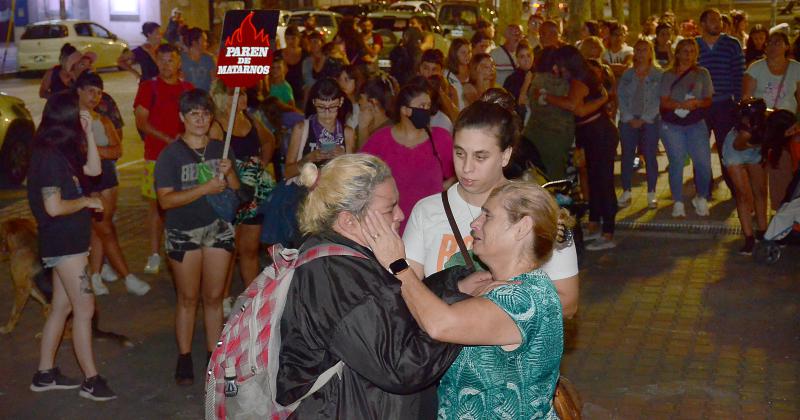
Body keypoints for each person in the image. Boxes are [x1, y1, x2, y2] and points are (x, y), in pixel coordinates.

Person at [275, 154, 469, 418]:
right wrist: (459, 314)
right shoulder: (338, 277)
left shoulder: (346, 255)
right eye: (390, 209)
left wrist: (455, 284)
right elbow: (402, 367)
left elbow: (394, 306)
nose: (400, 215)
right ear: (348, 221)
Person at [371, 179, 564, 418]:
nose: (475, 223)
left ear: (521, 228)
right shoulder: (525, 286)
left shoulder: (521, 298)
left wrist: (399, 265)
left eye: (488, 216)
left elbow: (440, 324)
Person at [404, 98, 579, 318]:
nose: (467, 168)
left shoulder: (536, 209)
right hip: (444, 349)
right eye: (459, 153)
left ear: (505, 155)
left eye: (480, 156)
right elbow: (407, 291)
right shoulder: (426, 210)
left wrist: (508, 298)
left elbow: (568, 302)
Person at [27, 91, 116, 401]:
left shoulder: (62, 149)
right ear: (65, 117)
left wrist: (89, 132)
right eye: (78, 112)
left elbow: (94, 170)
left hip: (70, 242)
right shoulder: (49, 156)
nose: (84, 114)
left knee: (62, 307)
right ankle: (91, 379)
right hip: (63, 243)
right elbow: (53, 207)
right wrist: (86, 201)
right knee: (85, 309)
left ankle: (45, 373)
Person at [154, 89, 240, 385]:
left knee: (214, 297)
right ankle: (184, 356)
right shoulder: (170, 155)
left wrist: (229, 174)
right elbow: (165, 201)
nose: (201, 119)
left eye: (205, 113)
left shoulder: (221, 148)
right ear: (182, 118)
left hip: (218, 228)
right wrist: (204, 189)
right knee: (188, 298)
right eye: (194, 114)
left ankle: (213, 356)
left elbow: (237, 191)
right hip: (183, 231)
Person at [75, 72, 151, 296]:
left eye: (99, 92)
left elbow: (117, 150)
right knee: (105, 229)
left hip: (107, 178)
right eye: (90, 91)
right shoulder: (69, 120)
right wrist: (98, 153)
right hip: (84, 182)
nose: (95, 97)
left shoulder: (103, 119)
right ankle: (127, 275)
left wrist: (91, 151)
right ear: (78, 90)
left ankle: (96, 276)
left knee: (101, 227)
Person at [540, 46, 617, 251]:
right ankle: (599, 227)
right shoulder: (580, 78)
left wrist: (548, 98)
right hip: (591, 134)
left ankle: (608, 232)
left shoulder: (581, 79)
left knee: (603, 181)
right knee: (594, 181)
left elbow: (576, 106)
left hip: (600, 134)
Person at [361, 83, 455, 233]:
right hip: (391, 226)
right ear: (405, 110)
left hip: (432, 225)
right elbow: (360, 173)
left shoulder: (440, 138)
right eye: (422, 105)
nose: (426, 111)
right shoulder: (381, 139)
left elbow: (457, 173)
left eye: (428, 106)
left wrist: (442, 188)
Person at [209, 81, 276, 290]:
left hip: (253, 195)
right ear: (223, 98)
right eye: (237, 94)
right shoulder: (217, 126)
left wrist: (262, 163)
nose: (244, 98)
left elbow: (269, 140)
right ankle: (224, 296)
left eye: (245, 94)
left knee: (250, 249)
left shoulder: (250, 119)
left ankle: (252, 296)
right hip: (231, 195)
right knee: (228, 250)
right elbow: (209, 161)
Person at [134, 44, 195, 274]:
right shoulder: (148, 88)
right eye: (161, 60)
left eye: (171, 60)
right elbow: (142, 122)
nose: (166, 64)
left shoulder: (188, 89)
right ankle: (154, 254)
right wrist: (170, 140)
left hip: (185, 159)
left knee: (185, 204)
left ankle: (182, 248)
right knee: (156, 208)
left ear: (179, 62)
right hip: (156, 158)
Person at [743, 31, 800, 213]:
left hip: (786, 128)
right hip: (761, 126)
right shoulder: (755, 68)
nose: (773, 45)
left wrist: (797, 123)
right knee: (758, 171)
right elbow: (746, 99)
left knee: (781, 171)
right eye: (770, 42)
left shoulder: (796, 68)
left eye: (778, 42)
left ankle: (779, 213)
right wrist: (766, 115)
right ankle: (757, 212)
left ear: (786, 46)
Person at [659, 38, 714, 218]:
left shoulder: (702, 73)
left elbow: (708, 99)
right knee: (676, 162)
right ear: (677, 53)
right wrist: (681, 105)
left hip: (696, 123)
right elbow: (664, 102)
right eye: (685, 51)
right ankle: (678, 201)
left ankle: (701, 197)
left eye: (692, 51)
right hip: (673, 124)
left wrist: (697, 103)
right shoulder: (667, 75)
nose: (688, 55)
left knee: (704, 164)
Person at [696, 8, 745, 197]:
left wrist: (739, 104)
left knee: (727, 149)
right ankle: (703, 189)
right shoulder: (694, 45)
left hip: (725, 104)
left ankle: (735, 190)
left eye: (719, 20)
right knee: (700, 149)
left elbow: (739, 74)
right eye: (712, 20)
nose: (718, 23)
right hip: (701, 106)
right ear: (702, 24)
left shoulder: (732, 44)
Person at [617, 39, 663, 209]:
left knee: (650, 155)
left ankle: (651, 192)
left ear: (650, 52)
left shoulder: (659, 75)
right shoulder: (628, 75)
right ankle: (626, 190)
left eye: (645, 50)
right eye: (638, 50)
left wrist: (644, 118)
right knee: (627, 156)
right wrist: (629, 117)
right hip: (629, 120)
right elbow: (621, 96)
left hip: (650, 120)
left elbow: (659, 100)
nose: (641, 53)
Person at [722, 99, 769, 255]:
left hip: (754, 149)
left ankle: (764, 232)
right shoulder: (745, 130)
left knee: (761, 192)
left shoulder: (768, 119)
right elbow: (738, 145)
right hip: (735, 150)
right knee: (742, 196)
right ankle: (749, 237)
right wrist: (757, 144)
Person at [522, 47, 575, 182]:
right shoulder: (562, 83)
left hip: (535, 135)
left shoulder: (536, 80)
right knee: (555, 178)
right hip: (556, 138)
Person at [284, 78, 355, 179]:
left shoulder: (347, 133)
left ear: (341, 102)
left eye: (332, 107)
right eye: (321, 107)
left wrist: (343, 158)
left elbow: (351, 175)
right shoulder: (301, 129)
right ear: (314, 102)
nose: (327, 113)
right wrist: (308, 159)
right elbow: (287, 173)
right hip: (305, 191)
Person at [418, 49, 460, 123]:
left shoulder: (450, 91)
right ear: (420, 68)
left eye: (434, 69)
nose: (430, 73)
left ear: (442, 71)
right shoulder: (413, 89)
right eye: (426, 68)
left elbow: (457, 120)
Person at [357, 75, 395, 148]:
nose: (359, 102)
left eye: (361, 98)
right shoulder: (364, 122)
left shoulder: (389, 131)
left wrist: (363, 129)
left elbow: (366, 157)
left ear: (373, 102)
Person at [180, 27, 215, 92]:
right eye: (204, 41)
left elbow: (214, 82)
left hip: (206, 97)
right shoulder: (181, 60)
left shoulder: (208, 59)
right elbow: (180, 82)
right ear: (194, 43)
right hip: (190, 98)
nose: (207, 44)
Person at [278, 25, 306, 103]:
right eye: (287, 38)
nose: (290, 41)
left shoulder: (305, 55)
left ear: (298, 39)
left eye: (293, 38)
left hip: (300, 96)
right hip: (281, 95)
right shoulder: (278, 54)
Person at [444, 38, 471, 111]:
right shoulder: (446, 74)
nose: (467, 55)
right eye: (463, 52)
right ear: (454, 53)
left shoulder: (473, 73)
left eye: (469, 52)